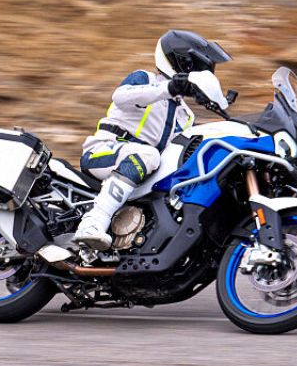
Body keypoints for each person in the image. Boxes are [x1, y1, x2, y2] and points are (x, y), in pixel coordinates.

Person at [73, 29, 232, 249]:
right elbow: (120, 97)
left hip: (141, 169)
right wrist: (170, 87)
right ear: (184, 63)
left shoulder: (185, 114)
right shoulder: (145, 79)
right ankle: (93, 222)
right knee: (149, 155)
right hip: (104, 152)